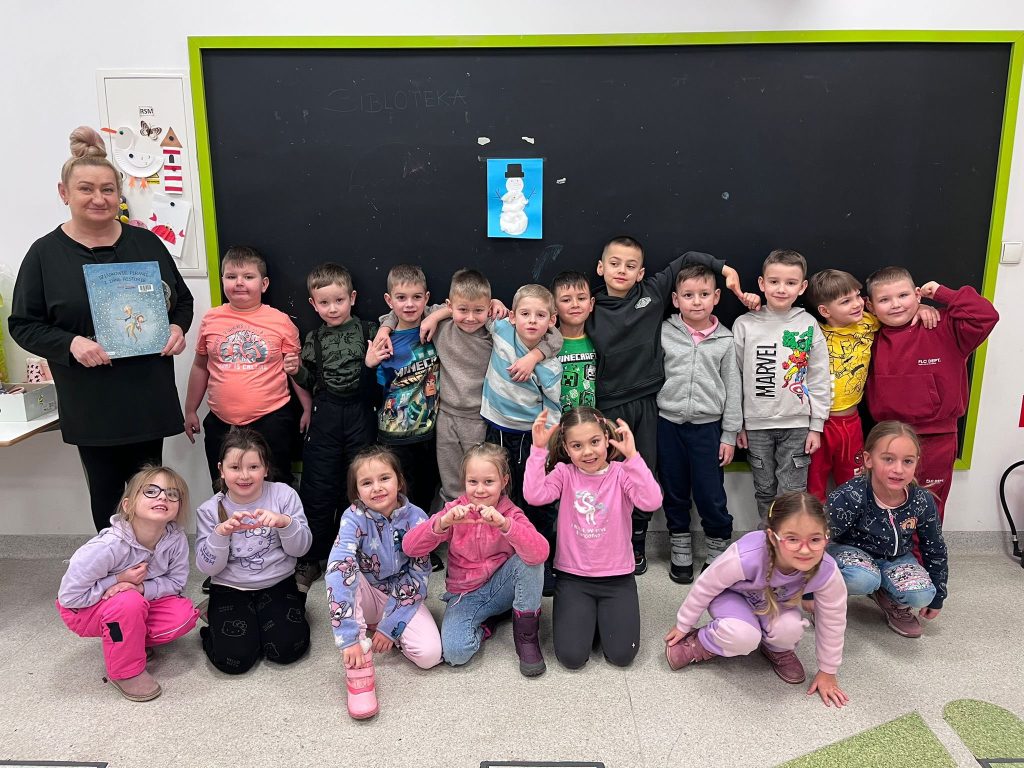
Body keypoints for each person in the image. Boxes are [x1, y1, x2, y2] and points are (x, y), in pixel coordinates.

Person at [9, 126, 193, 532]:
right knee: (107, 494)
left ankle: (153, 562)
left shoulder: (146, 243)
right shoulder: (44, 254)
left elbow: (182, 300)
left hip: (146, 394)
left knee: (151, 492)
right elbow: (23, 325)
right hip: (91, 401)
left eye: (107, 189)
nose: (98, 198)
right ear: (64, 193)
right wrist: (70, 343)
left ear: (119, 193)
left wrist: (177, 328)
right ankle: (115, 566)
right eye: (86, 189)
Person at [585, 235, 756, 573]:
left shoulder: (652, 294)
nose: (622, 270)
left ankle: (640, 541)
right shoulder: (589, 305)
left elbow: (689, 254)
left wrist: (726, 270)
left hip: (652, 406)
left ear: (641, 273)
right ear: (601, 267)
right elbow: (553, 311)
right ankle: (607, 541)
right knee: (605, 474)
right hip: (610, 405)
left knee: (649, 475)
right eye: (614, 263)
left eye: (631, 265)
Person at [664, 491, 849, 708]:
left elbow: (833, 620)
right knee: (743, 636)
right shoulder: (748, 554)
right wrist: (684, 624)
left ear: (826, 536)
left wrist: (828, 671)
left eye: (815, 539)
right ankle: (701, 642)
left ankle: (775, 648)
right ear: (772, 537)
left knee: (791, 629)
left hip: (774, 604)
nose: (805, 549)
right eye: (792, 539)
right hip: (732, 597)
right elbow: (707, 584)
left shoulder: (827, 571)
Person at [524, 407, 662, 669]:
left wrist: (633, 457)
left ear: (606, 438)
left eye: (595, 441)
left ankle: (599, 618)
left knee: (622, 656)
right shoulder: (564, 473)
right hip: (573, 578)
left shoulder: (622, 473)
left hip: (618, 579)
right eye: (577, 445)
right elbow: (534, 495)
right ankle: (590, 618)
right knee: (571, 658)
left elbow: (652, 501)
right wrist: (538, 451)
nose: (587, 452)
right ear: (566, 448)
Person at [402, 443, 549, 676]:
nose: (480, 490)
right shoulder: (454, 510)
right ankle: (488, 623)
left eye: (488, 482)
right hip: (465, 595)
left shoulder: (510, 513)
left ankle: (526, 639)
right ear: (464, 482)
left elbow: (541, 553)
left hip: (502, 588)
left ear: (504, 481)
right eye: (473, 482)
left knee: (530, 561)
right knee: (455, 653)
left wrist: (505, 525)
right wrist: (442, 523)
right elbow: (409, 547)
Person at [864, 267, 998, 522]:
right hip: (888, 436)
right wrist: (918, 306)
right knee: (885, 502)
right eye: (884, 300)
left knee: (928, 503)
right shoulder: (866, 335)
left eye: (903, 296)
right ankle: (890, 547)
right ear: (870, 306)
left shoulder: (944, 326)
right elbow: (839, 313)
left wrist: (940, 294)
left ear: (917, 294)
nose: (896, 305)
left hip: (938, 437)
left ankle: (926, 548)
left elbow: (986, 315)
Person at [56, 466, 199, 702]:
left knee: (183, 615)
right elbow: (70, 597)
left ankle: (129, 642)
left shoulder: (176, 539)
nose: (163, 497)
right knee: (128, 602)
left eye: (172, 494)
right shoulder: (107, 546)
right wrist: (118, 579)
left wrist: (140, 587)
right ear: (128, 505)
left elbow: (176, 583)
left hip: (135, 601)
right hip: (81, 610)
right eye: (151, 491)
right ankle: (125, 672)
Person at [325, 446, 442, 720]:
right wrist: (349, 639)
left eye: (384, 478)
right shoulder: (352, 517)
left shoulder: (417, 518)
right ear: (356, 491)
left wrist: (391, 627)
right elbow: (338, 568)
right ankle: (358, 667)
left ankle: (382, 625)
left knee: (430, 655)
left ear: (399, 481)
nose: (377, 488)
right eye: (366, 483)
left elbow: (420, 575)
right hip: (365, 592)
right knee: (343, 570)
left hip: (399, 594)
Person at [282, 262, 378, 592]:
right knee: (318, 487)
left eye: (339, 300)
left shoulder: (370, 330)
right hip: (326, 415)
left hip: (362, 413)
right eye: (324, 303)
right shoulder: (314, 339)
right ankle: (311, 558)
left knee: (362, 484)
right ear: (313, 304)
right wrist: (296, 371)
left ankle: (360, 553)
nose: (332, 308)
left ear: (352, 298)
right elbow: (311, 381)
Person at [805, 269, 939, 502]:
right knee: (813, 484)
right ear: (825, 311)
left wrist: (922, 307)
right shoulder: (813, 332)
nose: (857, 303)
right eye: (846, 301)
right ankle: (814, 524)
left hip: (851, 422)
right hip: (818, 423)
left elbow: (898, 314)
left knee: (854, 483)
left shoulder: (869, 323)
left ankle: (852, 521)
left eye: (857, 296)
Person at [184, 245, 309, 488]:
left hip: (271, 419)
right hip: (221, 422)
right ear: (222, 281)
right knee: (223, 486)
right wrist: (190, 410)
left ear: (264, 284)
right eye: (231, 276)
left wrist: (306, 407)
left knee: (275, 484)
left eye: (248, 277)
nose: (239, 282)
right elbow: (200, 366)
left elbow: (295, 369)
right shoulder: (211, 319)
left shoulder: (281, 322)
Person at [195, 428, 312, 674]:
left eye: (254, 467)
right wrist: (220, 534)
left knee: (287, 649)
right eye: (235, 467)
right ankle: (213, 616)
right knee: (234, 660)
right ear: (221, 470)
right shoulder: (209, 510)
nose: (244, 476)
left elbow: (302, 549)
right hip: (230, 586)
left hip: (277, 581)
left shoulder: (284, 495)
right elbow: (207, 567)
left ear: (266, 468)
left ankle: (288, 602)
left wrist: (285, 523)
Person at [657, 265, 742, 583]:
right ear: (675, 299)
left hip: (708, 429)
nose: (696, 301)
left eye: (704, 294)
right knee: (674, 489)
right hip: (668, 425)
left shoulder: (726, 340)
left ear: (716, 297)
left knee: (710, 493)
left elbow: (733, 389)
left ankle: (718, 546)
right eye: (688, 295)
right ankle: (680, 545)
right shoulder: (664, 332)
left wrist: (729, 434)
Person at [734, 249, 831, 524]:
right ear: (762, 283)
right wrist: (739, 424)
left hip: (797, 425)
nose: (781, 289)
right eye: (774, 281)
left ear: (802, 287)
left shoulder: (808, 324)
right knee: (764, 490)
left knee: (793, 491)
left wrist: (816, 425)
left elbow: (819, 377)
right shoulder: (744, 324)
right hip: (756, 426)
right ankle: (768, 540)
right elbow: (735, 377)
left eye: (790, 283)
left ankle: (790, 540)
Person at [826, 421, 948, 639]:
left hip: (895, 559)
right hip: (850, 553)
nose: (898, 469)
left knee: (923, 595)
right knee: (862, 578)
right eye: (888, 459)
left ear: (916, 462)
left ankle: (887, 595)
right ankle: (828, 601)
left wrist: (938, 595)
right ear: (868, 460)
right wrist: (810, 592)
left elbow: (935, 548)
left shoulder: (921, 500)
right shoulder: (850, 495)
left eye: (907, 461)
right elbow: (818, 538)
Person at [480, 284, 563, 591]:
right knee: (501, 495)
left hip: (531, 438)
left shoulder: (550, 367)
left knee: (536, 500)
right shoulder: (502, 330)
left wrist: (546, 443)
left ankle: (543, 560)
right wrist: (494, 301)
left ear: (551, 321)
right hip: (498, 430)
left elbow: (553, 407)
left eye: (540, 316)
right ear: (513, 316)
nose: (532, 321)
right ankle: (503, 559)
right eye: (525, 314)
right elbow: (474, 308)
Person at [365, 265, 442, 530]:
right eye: (401, 297)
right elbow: (372, 392)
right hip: (393, 433)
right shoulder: (384, 340)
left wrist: (434, 317)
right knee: (398, 494)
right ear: (389, 300)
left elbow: (460, 306)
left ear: (426, 298)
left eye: (416, 297)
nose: (409, 304)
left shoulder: (437, 329)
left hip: (429, 432)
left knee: (426, 489)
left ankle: (422, 540)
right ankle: (398, 540)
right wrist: (370, 365)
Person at [550, 270, 597, 412]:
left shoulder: (599, 342)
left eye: (581, 298)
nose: (575, 304)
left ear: (591, 304)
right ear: (554, 307)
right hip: (555, 422)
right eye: (566, 300)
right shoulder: (545, 343)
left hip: (591, 421)